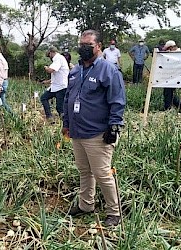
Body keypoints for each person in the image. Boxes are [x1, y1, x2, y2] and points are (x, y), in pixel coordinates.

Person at [62, 30, 126, 227]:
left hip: (98, 132)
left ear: (98, 46)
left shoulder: (108, 70)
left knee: (102, 173)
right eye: (81, 44)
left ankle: (114, 212)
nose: (84, 48)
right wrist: (66, 124)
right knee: (84, 171)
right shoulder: (74, 71)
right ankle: (86, 205)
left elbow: (117, 101)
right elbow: (67, 98)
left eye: (88, 44)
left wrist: (114, 126)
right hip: (77, 131)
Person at [40, 46, 69, 122]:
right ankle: (49, 117)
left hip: (61, 87)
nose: (49, 56)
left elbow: (51, 70)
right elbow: (57, 75)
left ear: (51, 52)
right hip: (56, 86)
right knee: (44, 98)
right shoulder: (58, 59)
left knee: (60, 108)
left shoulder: (58, 58)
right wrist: (47, 81)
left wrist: (46, 68)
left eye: (49, 54)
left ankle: (65, 123)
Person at [162, 40, 181, 110]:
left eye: (168, 49)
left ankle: (169, 107)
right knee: (169, 93)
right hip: (171, 76)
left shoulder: (178, 54)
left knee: (168, 92)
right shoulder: (176, 53)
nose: (167, 51)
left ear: (171, 47)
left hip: (174, 77)